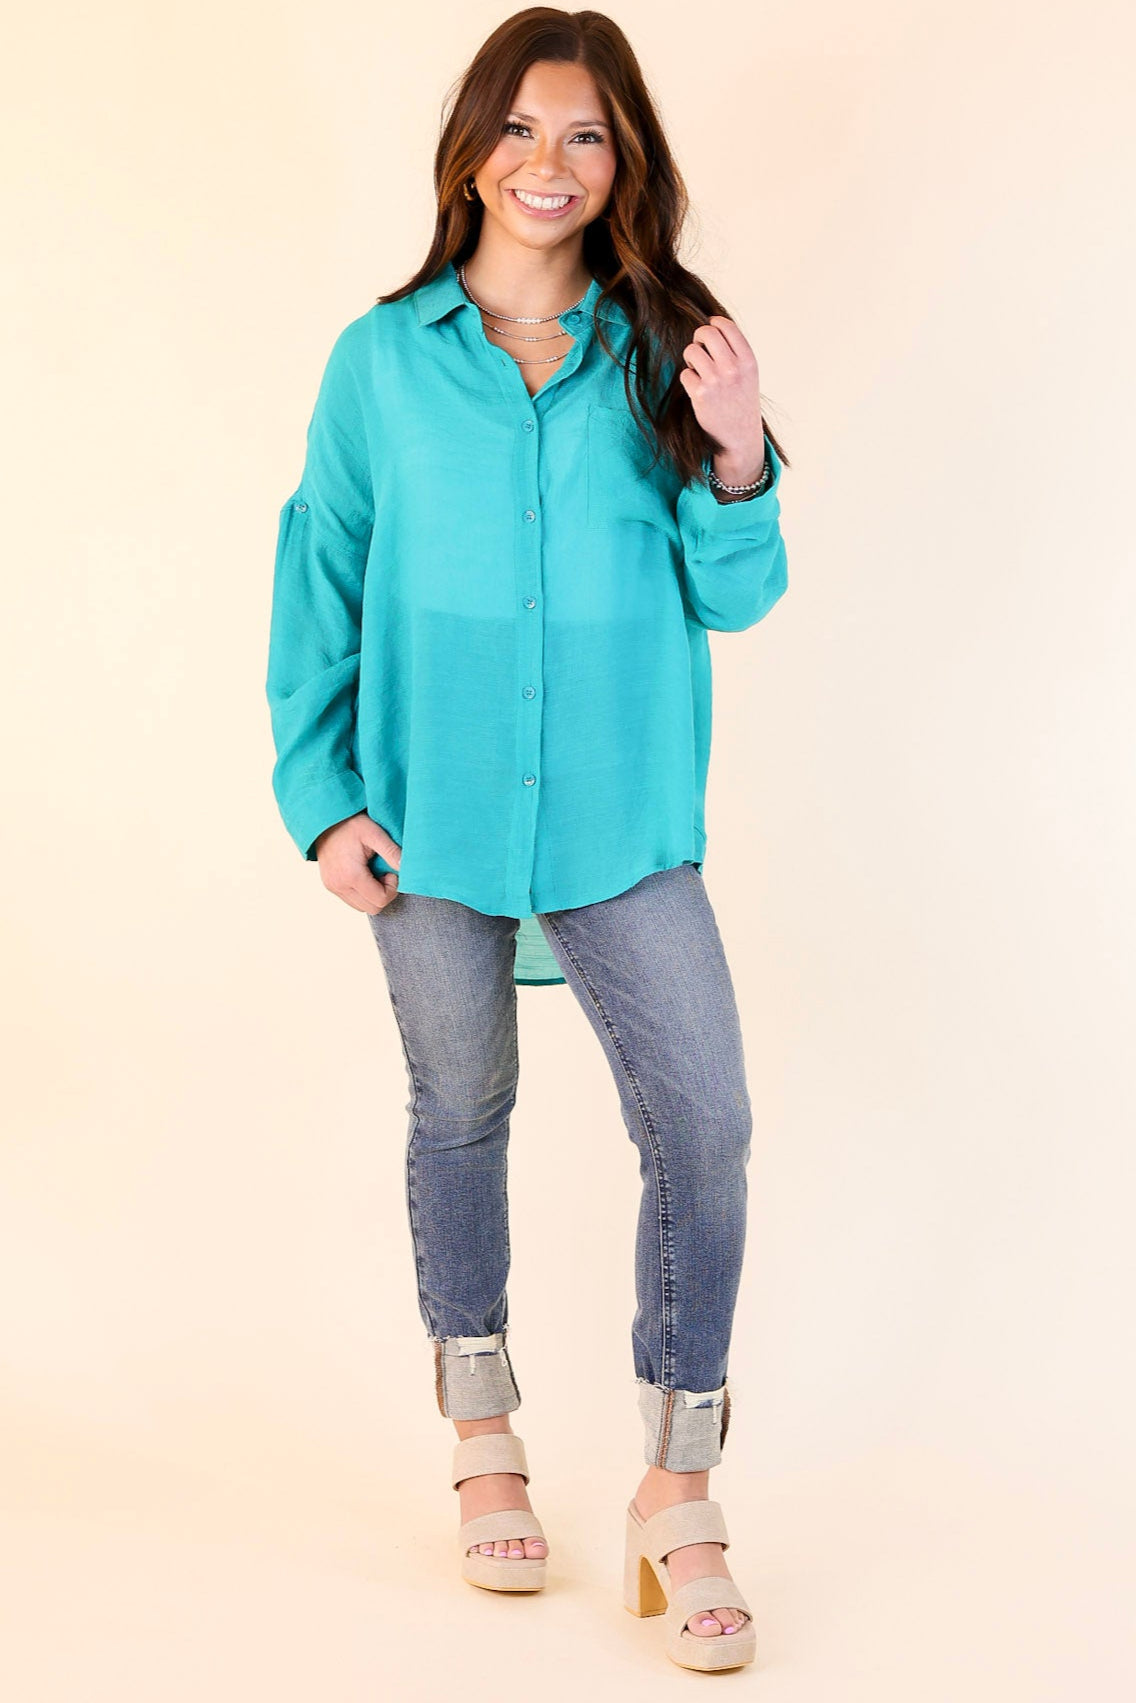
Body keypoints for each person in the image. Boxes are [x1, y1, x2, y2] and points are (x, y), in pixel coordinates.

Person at [265, 7, 789, 1674]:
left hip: (626, 818)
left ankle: (677, 1493)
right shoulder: (381, 360)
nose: (547, 165)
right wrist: (321, 799)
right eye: (520, 128)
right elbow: (321, 571)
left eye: (585, 136)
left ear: (623, 163)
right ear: (471, 146)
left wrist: (739, 451)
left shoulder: (670, 344)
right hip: (428, 816)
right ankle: (483, 1438)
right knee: (461, 1107)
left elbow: (739, 595)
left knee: (703, 1125)